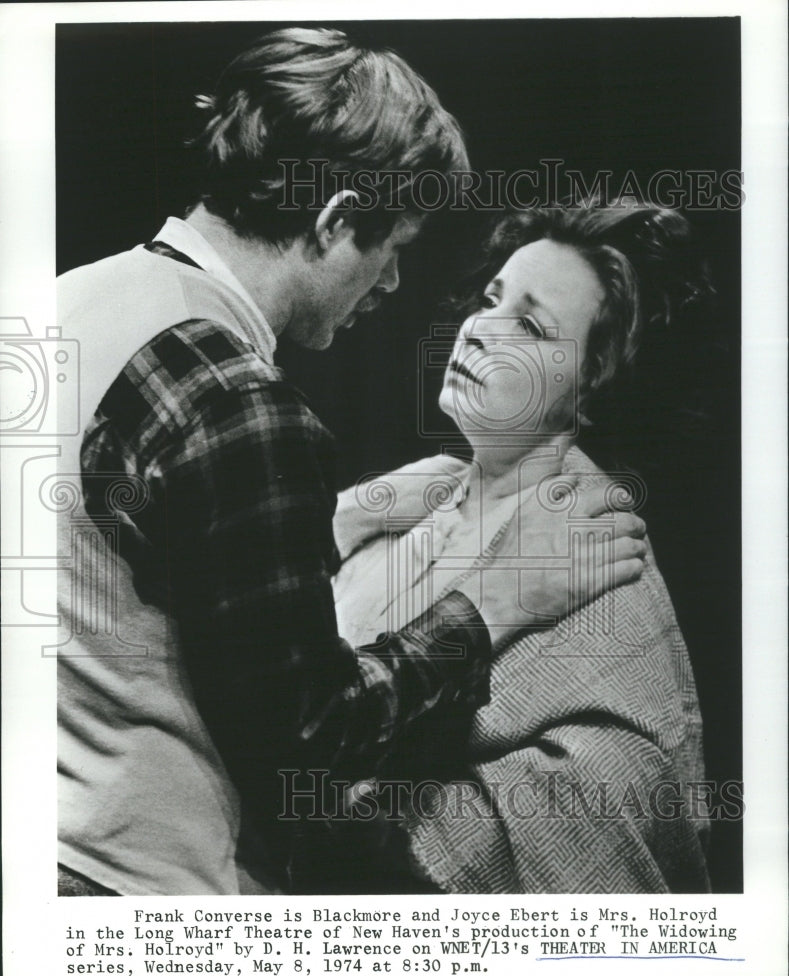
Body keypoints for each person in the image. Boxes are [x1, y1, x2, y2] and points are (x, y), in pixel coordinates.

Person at [55, 30, 646, 895]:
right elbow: (312, 736)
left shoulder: (66, 301)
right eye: (392, 247)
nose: (395, 284)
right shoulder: (234, 397)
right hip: (149, 899)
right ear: (334, 221)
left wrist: (342, 512)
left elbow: (120, 559)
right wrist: (494, 601)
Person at [327, 204, 712, 893]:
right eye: (490, 298)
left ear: (594, 379)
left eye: (530, 325)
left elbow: (622, 783)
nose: (478, 330)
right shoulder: (409, 509)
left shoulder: (591, 543)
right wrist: (343, 521)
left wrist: (373, 829)